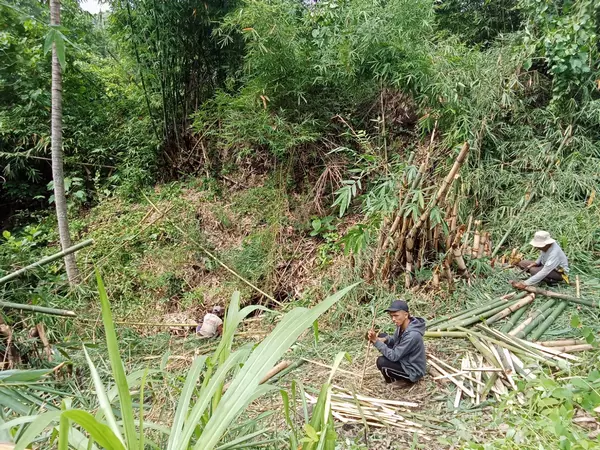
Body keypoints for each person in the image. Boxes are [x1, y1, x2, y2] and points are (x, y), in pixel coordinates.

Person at [367, 300, 426, 385]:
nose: (393, 319)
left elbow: (394, 356)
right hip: (404, 359)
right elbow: (395, 340)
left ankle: (393, 381)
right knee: (383, 335)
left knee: (382, 362)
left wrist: (376, 341)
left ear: (406, 315)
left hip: (412, 370)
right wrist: (384, 340)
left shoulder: (412, 335)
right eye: (391, 316)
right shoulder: (402, 325)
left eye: (396, 316)